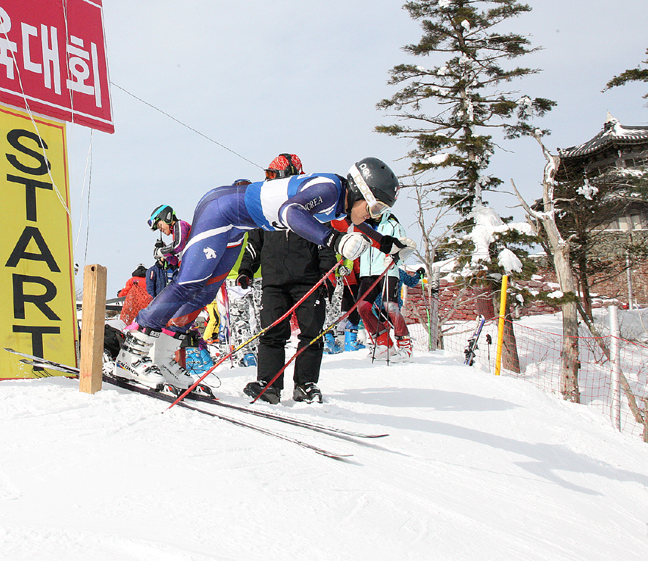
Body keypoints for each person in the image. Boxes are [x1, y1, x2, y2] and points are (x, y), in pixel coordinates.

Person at [120, 157, 412, 391]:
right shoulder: (330, 189)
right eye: (375, 206)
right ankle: (131, 352)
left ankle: (165, 358)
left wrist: (389, 244)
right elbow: (290, 212)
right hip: (222, 210)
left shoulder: (341, 202)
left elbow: (356, 224)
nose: (374, 214)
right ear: (359, 190)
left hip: (239, 224)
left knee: (207, 290)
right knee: (188, 284)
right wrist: (333, 241)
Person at [235, 153, 334, 404]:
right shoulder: (266, 206)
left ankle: (305, 384)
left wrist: (327, 275)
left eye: (274, 175)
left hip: (308, 280)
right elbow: (254, 242)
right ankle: (268, 385)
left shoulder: (312, 205)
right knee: (271, 333)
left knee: (311, 333)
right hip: (274, 281)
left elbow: (325, 243)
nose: (270, 180)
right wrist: (246, 270)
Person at [356, 210, 423, 358]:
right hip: (368, 272)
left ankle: (405, 345)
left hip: (387, 269)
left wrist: (396, 258)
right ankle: (383, 343)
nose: (373, 213)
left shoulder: (393, 225)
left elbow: (405, 247)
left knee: (390, 307)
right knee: (362, 307)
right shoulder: (363, 225)